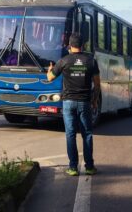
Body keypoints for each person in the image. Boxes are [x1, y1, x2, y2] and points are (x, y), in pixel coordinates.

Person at [47, 33, 101, 176]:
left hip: (68, 103)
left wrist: (48, 70)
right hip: (84, 102)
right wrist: (94, 100)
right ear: (82, 45)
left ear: (69, 46)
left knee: (70, 134)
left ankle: (73, 168)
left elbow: (50, 78)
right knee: (87, 134)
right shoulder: (91, 61)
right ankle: (89, 167)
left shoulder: (64, 61)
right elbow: (97, 84)